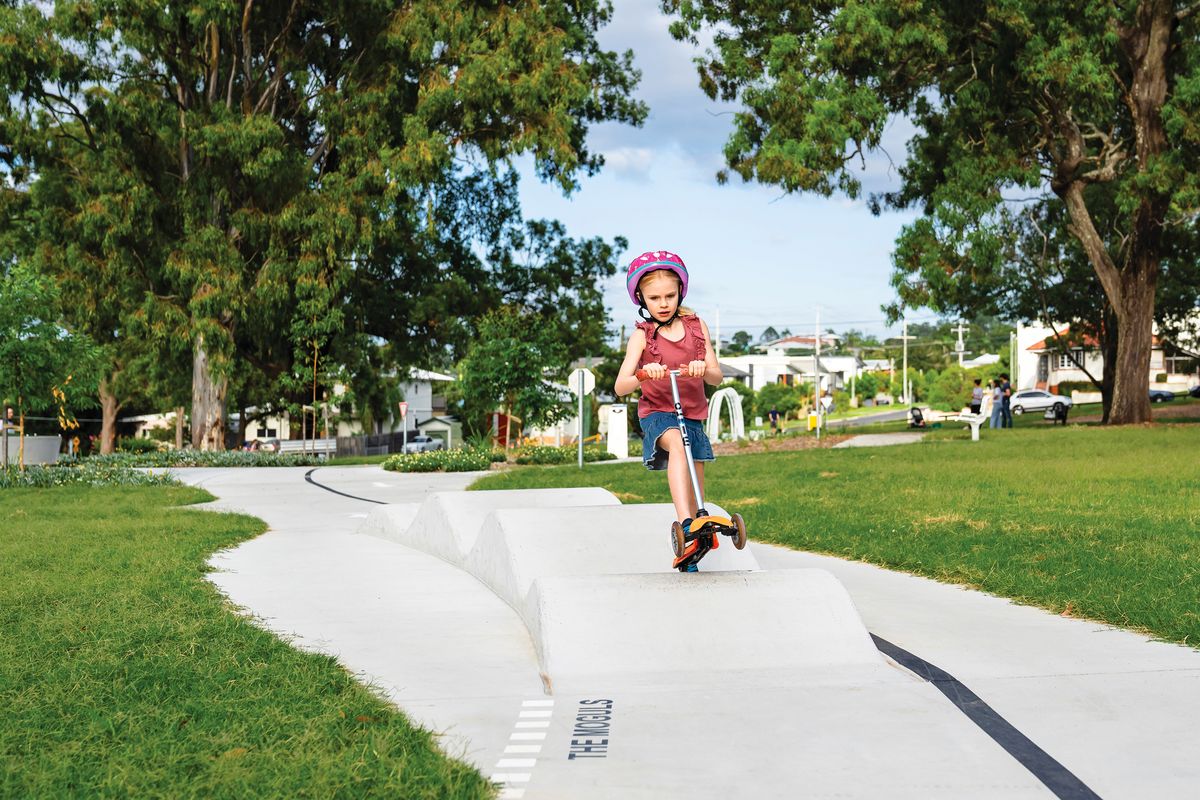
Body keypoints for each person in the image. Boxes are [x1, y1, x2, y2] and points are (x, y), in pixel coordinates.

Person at [615, 250, 722, 572]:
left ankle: (697, 531)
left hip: (692, 411)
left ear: (680, 293)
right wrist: (645, 374)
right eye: (654, 298)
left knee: (695, 466)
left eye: (669, 296)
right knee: (677, 443)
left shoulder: (696, 325)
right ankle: (685, 520)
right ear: (642, 299)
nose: (663, 303)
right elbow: (621, 386)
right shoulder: (641, 336)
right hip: (658, 412)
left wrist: (702, 367)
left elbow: (716, 377)